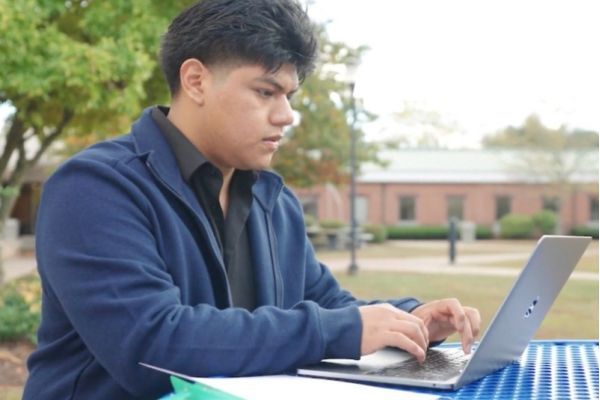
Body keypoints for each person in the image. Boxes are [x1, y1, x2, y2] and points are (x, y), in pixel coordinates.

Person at [23, 0, 480, 398]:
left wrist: (408, 318)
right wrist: (338, 330)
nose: (286, 115)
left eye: (290, 95)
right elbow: (151, 347)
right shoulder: (94, 188)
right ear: (196, 81)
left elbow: (325, 301)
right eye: (265, 92)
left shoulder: (272, 201)